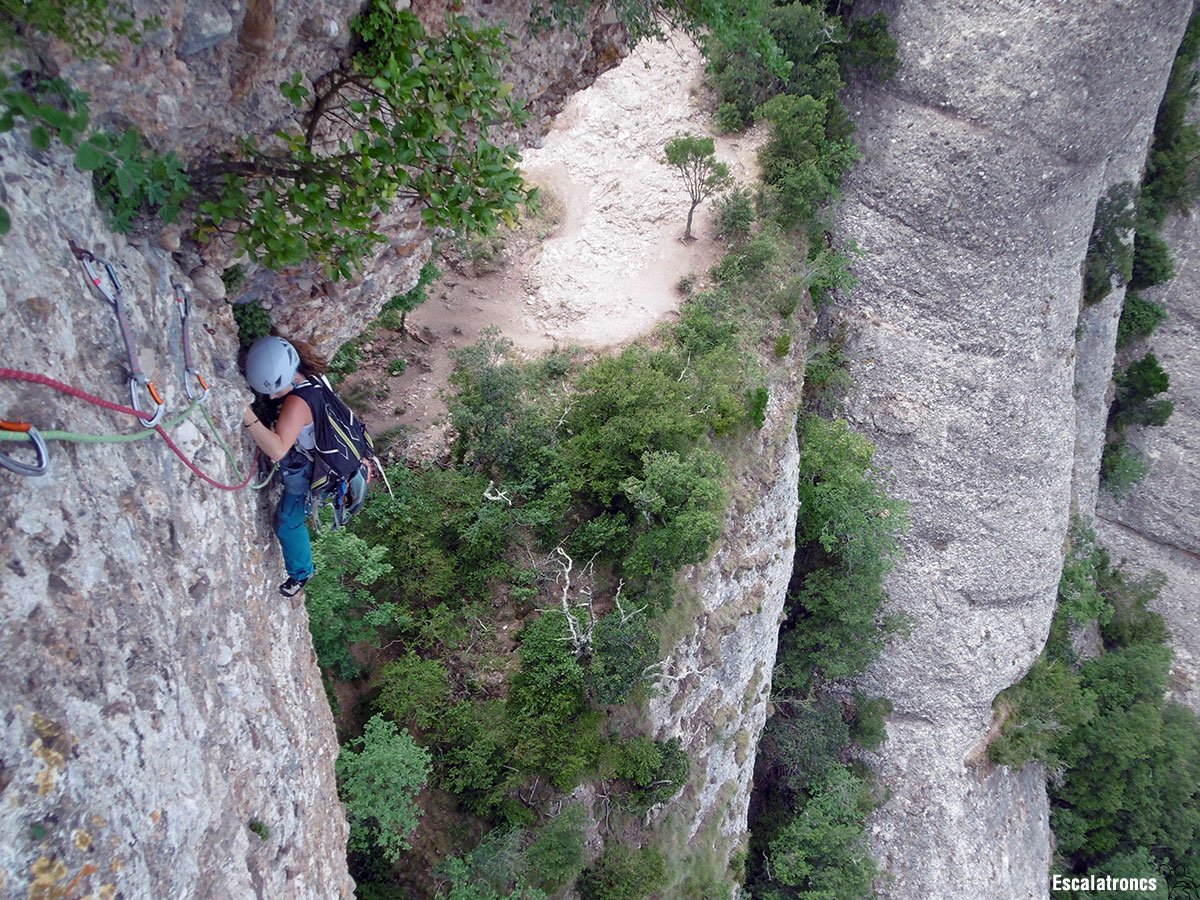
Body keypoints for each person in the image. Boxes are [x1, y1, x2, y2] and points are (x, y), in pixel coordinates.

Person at [241, 335, 332, 597]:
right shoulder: (313, 377)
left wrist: (246, 414)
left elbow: (278, 449)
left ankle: (302, 573)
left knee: (287, 523)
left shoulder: (297, 402)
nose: (272, 396)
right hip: (325, 460)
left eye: (277, 389)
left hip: (314, 471)